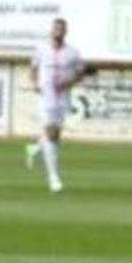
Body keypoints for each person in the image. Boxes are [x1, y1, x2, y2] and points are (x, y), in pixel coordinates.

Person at [25, 18, 88, 194]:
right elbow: (33, 68)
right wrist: (34, 82)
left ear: (65, 32)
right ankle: (53, 177)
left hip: (63, 97)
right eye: (56, 28)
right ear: (51, 31)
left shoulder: (73, 53)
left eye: (61, 29)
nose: (58, 31)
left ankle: (35, 148)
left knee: (55, 135)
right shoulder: (41, 49)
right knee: (52, 134)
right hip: (46, 97)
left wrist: (70, 81)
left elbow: (80, 72)